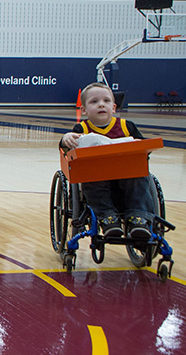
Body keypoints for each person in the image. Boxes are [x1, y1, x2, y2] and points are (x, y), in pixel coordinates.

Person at [59, 82, 155, 238]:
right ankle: (107, 218)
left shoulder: (126, 126)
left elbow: (144, 153)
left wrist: (142, 147)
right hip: (97, 180)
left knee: (139, 176)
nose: (101, 105)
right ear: (83, 110)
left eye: (106, 101)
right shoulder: (80, 130)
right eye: (94, 101)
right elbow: (67, 152)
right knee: (91, 179)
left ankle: (139, 218)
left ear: (114, 107)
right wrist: (65, 138)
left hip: (127, 178)